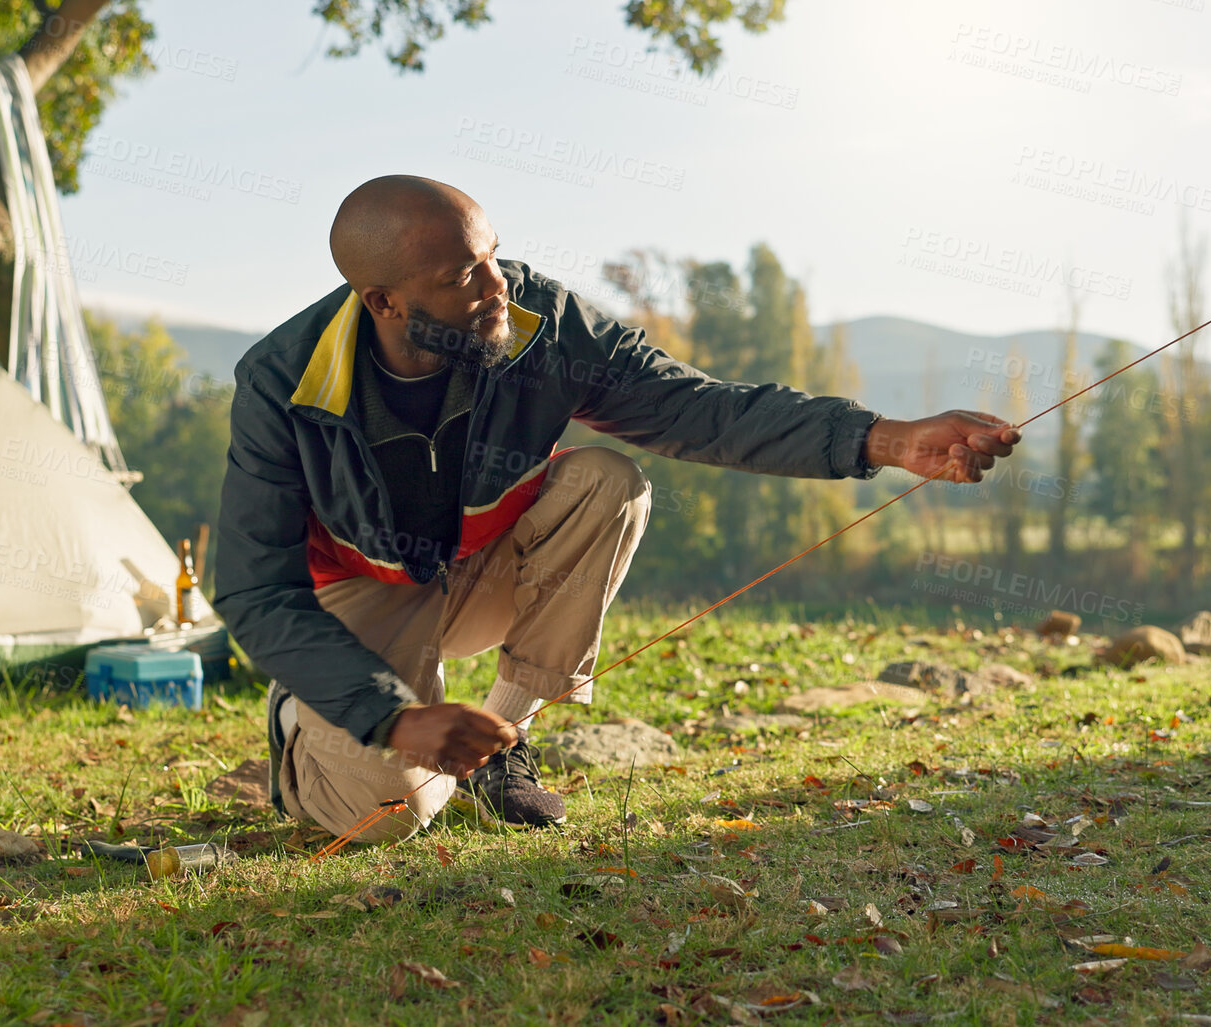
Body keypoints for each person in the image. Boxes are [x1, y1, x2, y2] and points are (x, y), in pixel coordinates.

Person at [212, 175, 1022, 842]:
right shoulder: (283, 383)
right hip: (362, 594)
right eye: (463, 278)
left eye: (492, 255)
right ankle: (307, 722)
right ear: (384, 303)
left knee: (607, 480)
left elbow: (698, 408)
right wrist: (387, 716)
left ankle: (501, 740)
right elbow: (256, 591)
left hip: (478, 570)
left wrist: (882, 438)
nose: (499, 287)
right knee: (388, 819)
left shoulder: (539, 323)